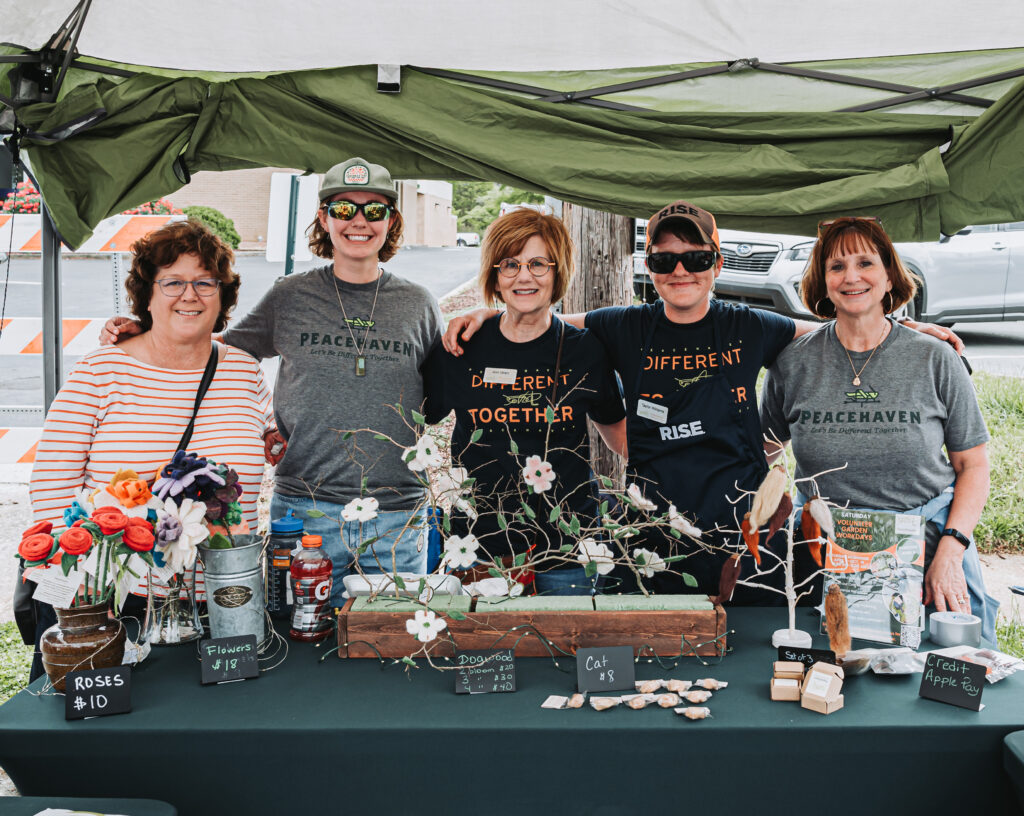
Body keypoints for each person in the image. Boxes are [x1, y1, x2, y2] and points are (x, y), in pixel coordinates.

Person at [444, 201, 966, 602]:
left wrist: (900, 327)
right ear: (649, 267)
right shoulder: (623, 325)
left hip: (745, 533)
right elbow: (545, 324)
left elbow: (833, 329)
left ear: (716, 262)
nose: (681, 270)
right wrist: (492, 315)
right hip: (652, 532)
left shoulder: (749, 324)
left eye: (695, 257)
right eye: (666, 259)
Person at [103, 158, 442, 606]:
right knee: (301, 641)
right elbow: (216, 349)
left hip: (398, 513)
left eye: (373, 210)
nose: (358, 221)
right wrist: (144, 333)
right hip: (305, 511)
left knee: (393, 645)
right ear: (323, 218)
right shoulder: (290, 296)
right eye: (343, 209)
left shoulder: (419, 304)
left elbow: (450, 382)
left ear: (391, 220)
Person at [29, 219, 273, 678]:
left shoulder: (244, 372)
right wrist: (81, 594)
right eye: (173, 282)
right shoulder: (101, 372)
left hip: (222, 603)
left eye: (205, 282)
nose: (190, 295)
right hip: (117, 605)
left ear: (223, 295)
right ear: (147, 293)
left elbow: (266, 441)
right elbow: (51, 488)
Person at [760, 215, 997, 641]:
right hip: (825, 549)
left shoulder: (934, 359)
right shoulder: (792, 364)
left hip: (926, 542)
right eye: (836, 267)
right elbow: (764, 455)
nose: (851, 277)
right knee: (834, 673)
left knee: (947, 676)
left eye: (865, 263)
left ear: (890, 277)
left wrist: (951, 548)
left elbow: (973, 466)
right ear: (823, 281)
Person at [422, 208, 626, 595]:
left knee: (564, 652)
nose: (524, 276)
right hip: (480, 546)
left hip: (568, 546)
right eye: (511, 264)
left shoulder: (586, 351)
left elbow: (622, 437)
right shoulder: (461, 348)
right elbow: (413, 422)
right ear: (495, 276)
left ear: (557, 272)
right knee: (486, 654)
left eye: (538, 264)